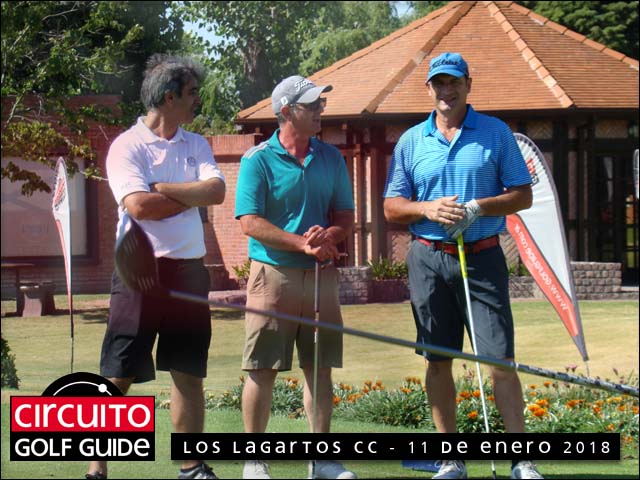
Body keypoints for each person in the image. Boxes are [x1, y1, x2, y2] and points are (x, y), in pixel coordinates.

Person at [383, 52, 543, 480]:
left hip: (482, 258)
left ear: (468, 84)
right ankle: (451, 459)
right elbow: (392, 207)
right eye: (439, 83)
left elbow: (523, 194)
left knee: (500, 360)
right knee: (437, 360)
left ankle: (521, 460)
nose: (446, 90)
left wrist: (477, 207)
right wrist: (427, 208)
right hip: (428, 259)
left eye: (454, 82)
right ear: (429, 89)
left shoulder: (496, 133)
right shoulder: (411, 141)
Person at [86, 54, 226, 480]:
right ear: (169, 97)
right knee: (119, 372)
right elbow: (139, 206)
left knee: (188, 372)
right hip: (139, 275)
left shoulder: (196, 144)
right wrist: (189, 194)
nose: (198, 99)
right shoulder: (126, 146)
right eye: (192, 93)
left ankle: (191, 467)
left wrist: (163, 187)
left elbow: (216, 192)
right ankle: (96, 469)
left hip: (189, 273)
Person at [235, 75, 356, 480]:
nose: (321, 110)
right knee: (262, 368)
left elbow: (345, 216)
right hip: (272, 276)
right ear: (287, 111)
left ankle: (321, 460)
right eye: (313, 105)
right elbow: (250, 222)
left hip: (321, 276)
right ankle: (254, 460)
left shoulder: (331, 157)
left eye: (321, 103)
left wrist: (328, 237)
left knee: (319, 368)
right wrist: (302, 243)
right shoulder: (257, 160)